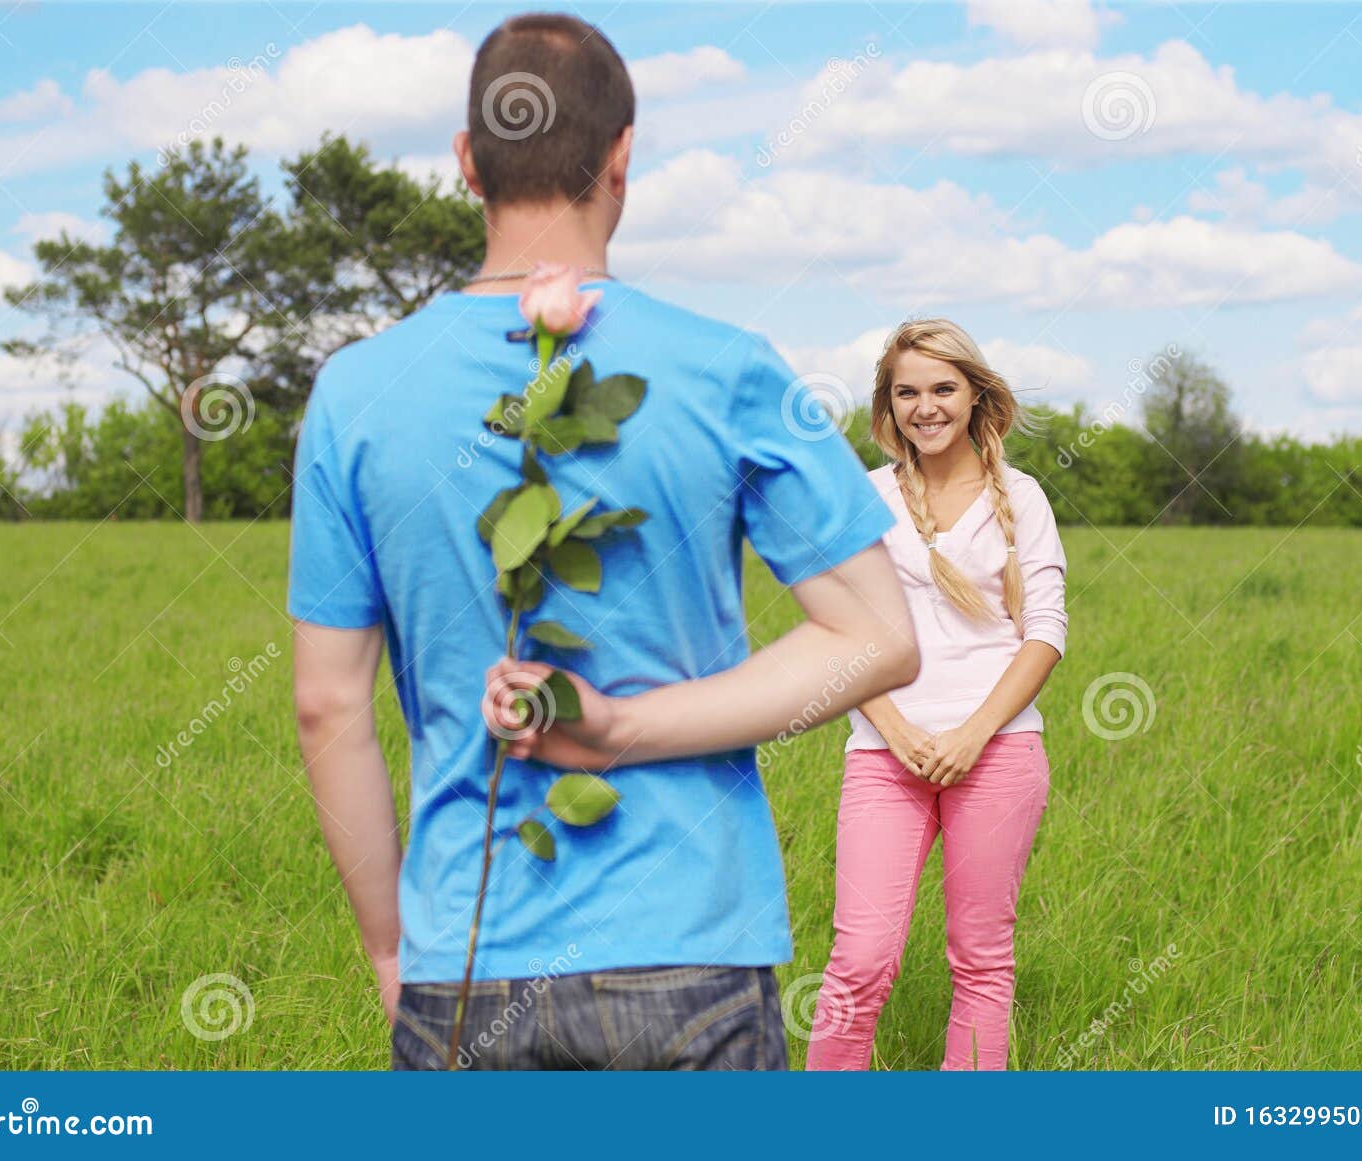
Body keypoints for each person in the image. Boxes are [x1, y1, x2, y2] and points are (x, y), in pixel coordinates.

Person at [288, 11, 918, 1071]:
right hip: (690, 955)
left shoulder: (353, 394)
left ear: (464, 166)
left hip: (465, 950)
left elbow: (327, 706)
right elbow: (878, 640)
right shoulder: (732, 369)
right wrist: (621, 729)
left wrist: (393, 946)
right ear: (623, 156)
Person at [804, 319, 1067, 1071]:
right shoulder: (866, 497)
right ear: (889, 406)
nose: (927, 406)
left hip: (999, 751)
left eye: (943, 388)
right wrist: (895, 729)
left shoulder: (1023, 498)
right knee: (859, 957)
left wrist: (973, 734)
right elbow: (843, 629)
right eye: (907, 391)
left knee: (982, 959)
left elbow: (1044, 631)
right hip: (884, 754)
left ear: (975, 394)